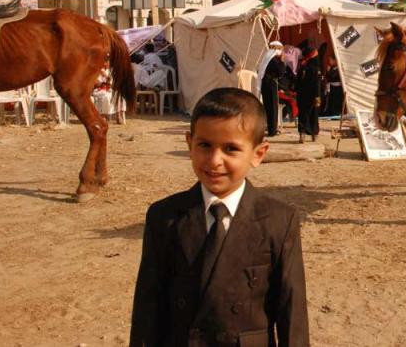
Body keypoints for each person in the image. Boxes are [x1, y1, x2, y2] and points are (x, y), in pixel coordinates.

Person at [130, 87, 309, 346]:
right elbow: (148, 305)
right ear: (189, 144)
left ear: (258, 154)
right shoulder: (164, 216)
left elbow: (292, 309)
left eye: (231, 149)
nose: (215, 160)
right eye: (205, 145)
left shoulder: (279, 220)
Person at [258, 41, 286, 136]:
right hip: (270, 84)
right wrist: (282, 61)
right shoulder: (272, 59)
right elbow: (281, 72)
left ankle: (271, 129)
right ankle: (272, 131)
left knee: (269, 107)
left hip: (266, 84)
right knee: (272, 107)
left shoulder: (267, 57)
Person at [296, 47, 321, 143]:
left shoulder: (302, 66)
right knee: (313, 115)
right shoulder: (316, 69)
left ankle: (302, 134)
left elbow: (297, 81)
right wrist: (317, 97)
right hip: (313, 96)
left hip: (302, 95)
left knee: (302, 114)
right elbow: (317, 84)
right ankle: (314, 134)